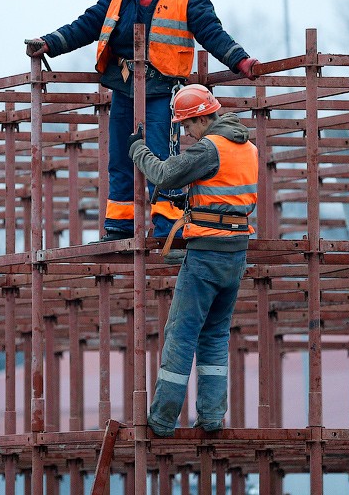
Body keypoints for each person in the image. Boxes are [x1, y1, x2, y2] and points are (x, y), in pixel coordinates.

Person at [26, 0, 257, 247]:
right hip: (124, 88)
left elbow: (211, 31)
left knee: (163, 159)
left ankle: (167, 229)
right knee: (120, 157)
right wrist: (49, 43)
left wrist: (240, 60)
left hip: (162, 92)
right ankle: (119, 228)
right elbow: (88, 24)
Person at [126, 83, 258, 437]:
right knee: (214, 336)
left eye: (187, 127)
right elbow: (230, 199)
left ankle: (162, 419)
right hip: (235, 254)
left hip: (207, 254)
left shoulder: (211, 148)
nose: (187, 134)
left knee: (181, 334)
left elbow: (167, 174)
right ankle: (212, 416)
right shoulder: (249, 150)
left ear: (202, 119)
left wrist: (138, 151)